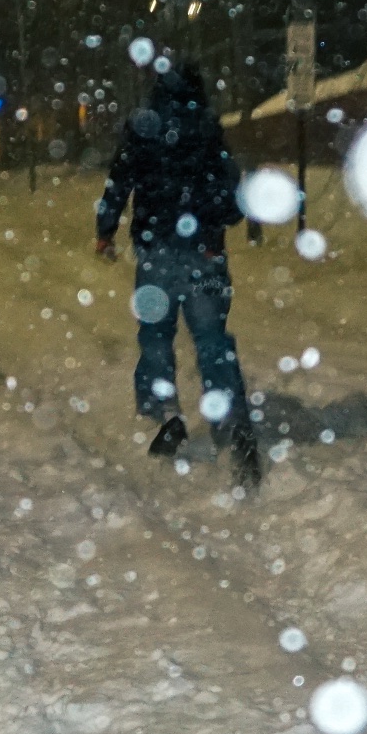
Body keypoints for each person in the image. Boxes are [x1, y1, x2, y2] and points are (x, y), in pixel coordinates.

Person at [95, 64, 259, 487]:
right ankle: (233, 422)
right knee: (211, 339)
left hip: (156, 252)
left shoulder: (143, 129)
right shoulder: (208, 131)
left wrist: (105, 231)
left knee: (155, 334)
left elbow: (119, 181)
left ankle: (164, 414)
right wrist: (213, 224)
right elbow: (232, 195)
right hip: (204, 253)